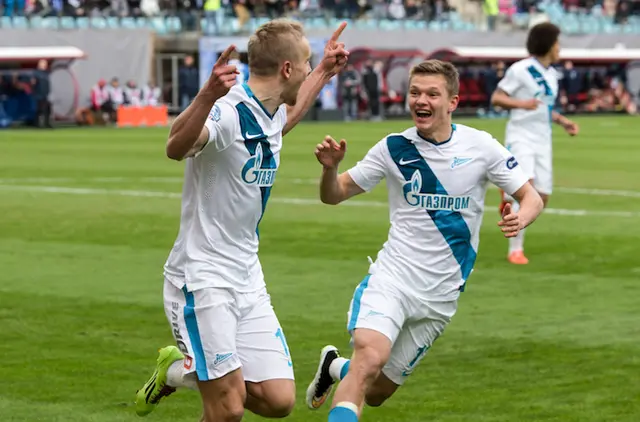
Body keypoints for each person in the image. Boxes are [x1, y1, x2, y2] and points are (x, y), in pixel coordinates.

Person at [304, 59, 544, 422]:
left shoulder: (481, 147)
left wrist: (520, 217)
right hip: (393, 280)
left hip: (440, 297)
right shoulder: (393, 148)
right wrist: (330, 169)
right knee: (369, 359)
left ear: (453, 102)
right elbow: (333, 195)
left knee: (379, 392)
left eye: (433, 94)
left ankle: (335, 367)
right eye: (415, 92)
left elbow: (532, 197)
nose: (421, 100)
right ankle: (351, 371)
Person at [134, 19, 349, 422]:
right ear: (287, 68)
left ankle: (179, 369)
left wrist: (324, 70)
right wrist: (206, 95)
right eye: (305, 63)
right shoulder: (229, 111)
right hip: (202, 277)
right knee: (227, 409)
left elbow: (286, 119)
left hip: (247, 276)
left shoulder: (269, 113)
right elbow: (175, 147)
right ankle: (189, 371)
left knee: (278, 401)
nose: (306, 69)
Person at [490, 22, 579, 265]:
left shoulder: (552, 75)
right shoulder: (520, 69)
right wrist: (522, 104)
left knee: (542, 198)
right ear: (548, 44)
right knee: (526, 190)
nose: (560, 48)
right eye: (557, 42)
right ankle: (515, 250)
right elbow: (497, 98)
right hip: (521, 135)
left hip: (543, 139)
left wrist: (562, 121)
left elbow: (543, 108)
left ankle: (506, 195)